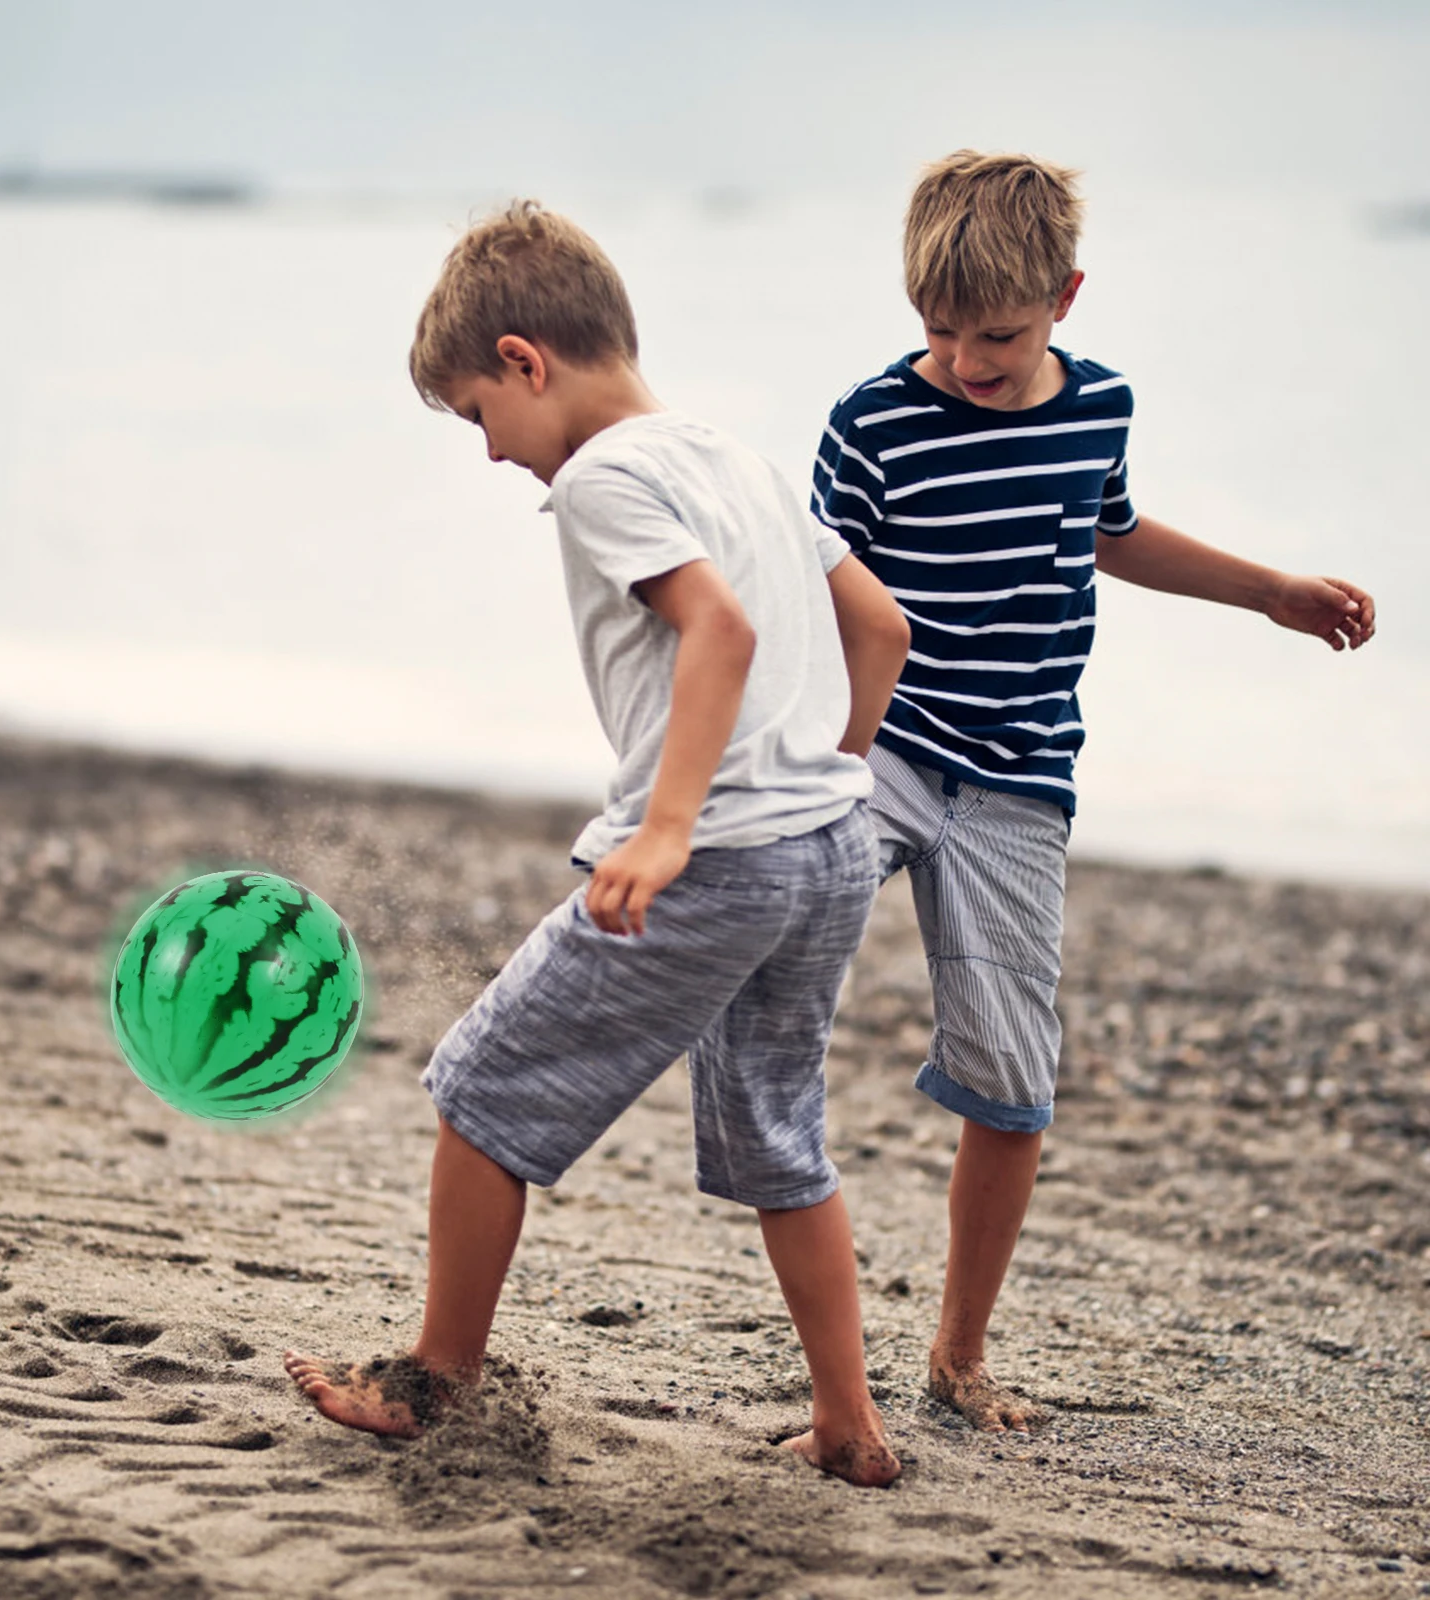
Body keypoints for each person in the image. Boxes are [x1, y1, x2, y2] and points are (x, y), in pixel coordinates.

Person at [285, 200, 912, 1487]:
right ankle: (849, 1422)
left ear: (525, 360)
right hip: (829, 846)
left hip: (721, 855)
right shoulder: (731, 454)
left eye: (475, 415)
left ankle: (433, 1381)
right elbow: (881, 627)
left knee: (479, 1090)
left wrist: (673, 826)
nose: (488, 450)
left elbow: (720, 633)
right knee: (781, 1136)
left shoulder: (605, 478)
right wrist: (823, 774)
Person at [811, 150, 1376, 1435]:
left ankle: (958, 1357)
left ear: (1065, 296)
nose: (965, 358)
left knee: (1012, 1081)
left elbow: (1110, 530)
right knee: (774, 948)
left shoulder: (1098, 404)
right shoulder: (869, 422)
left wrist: (1270, 590)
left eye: (997, 333)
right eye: (938, 329)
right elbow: (816, 589)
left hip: (1019, 776)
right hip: (883, 746)